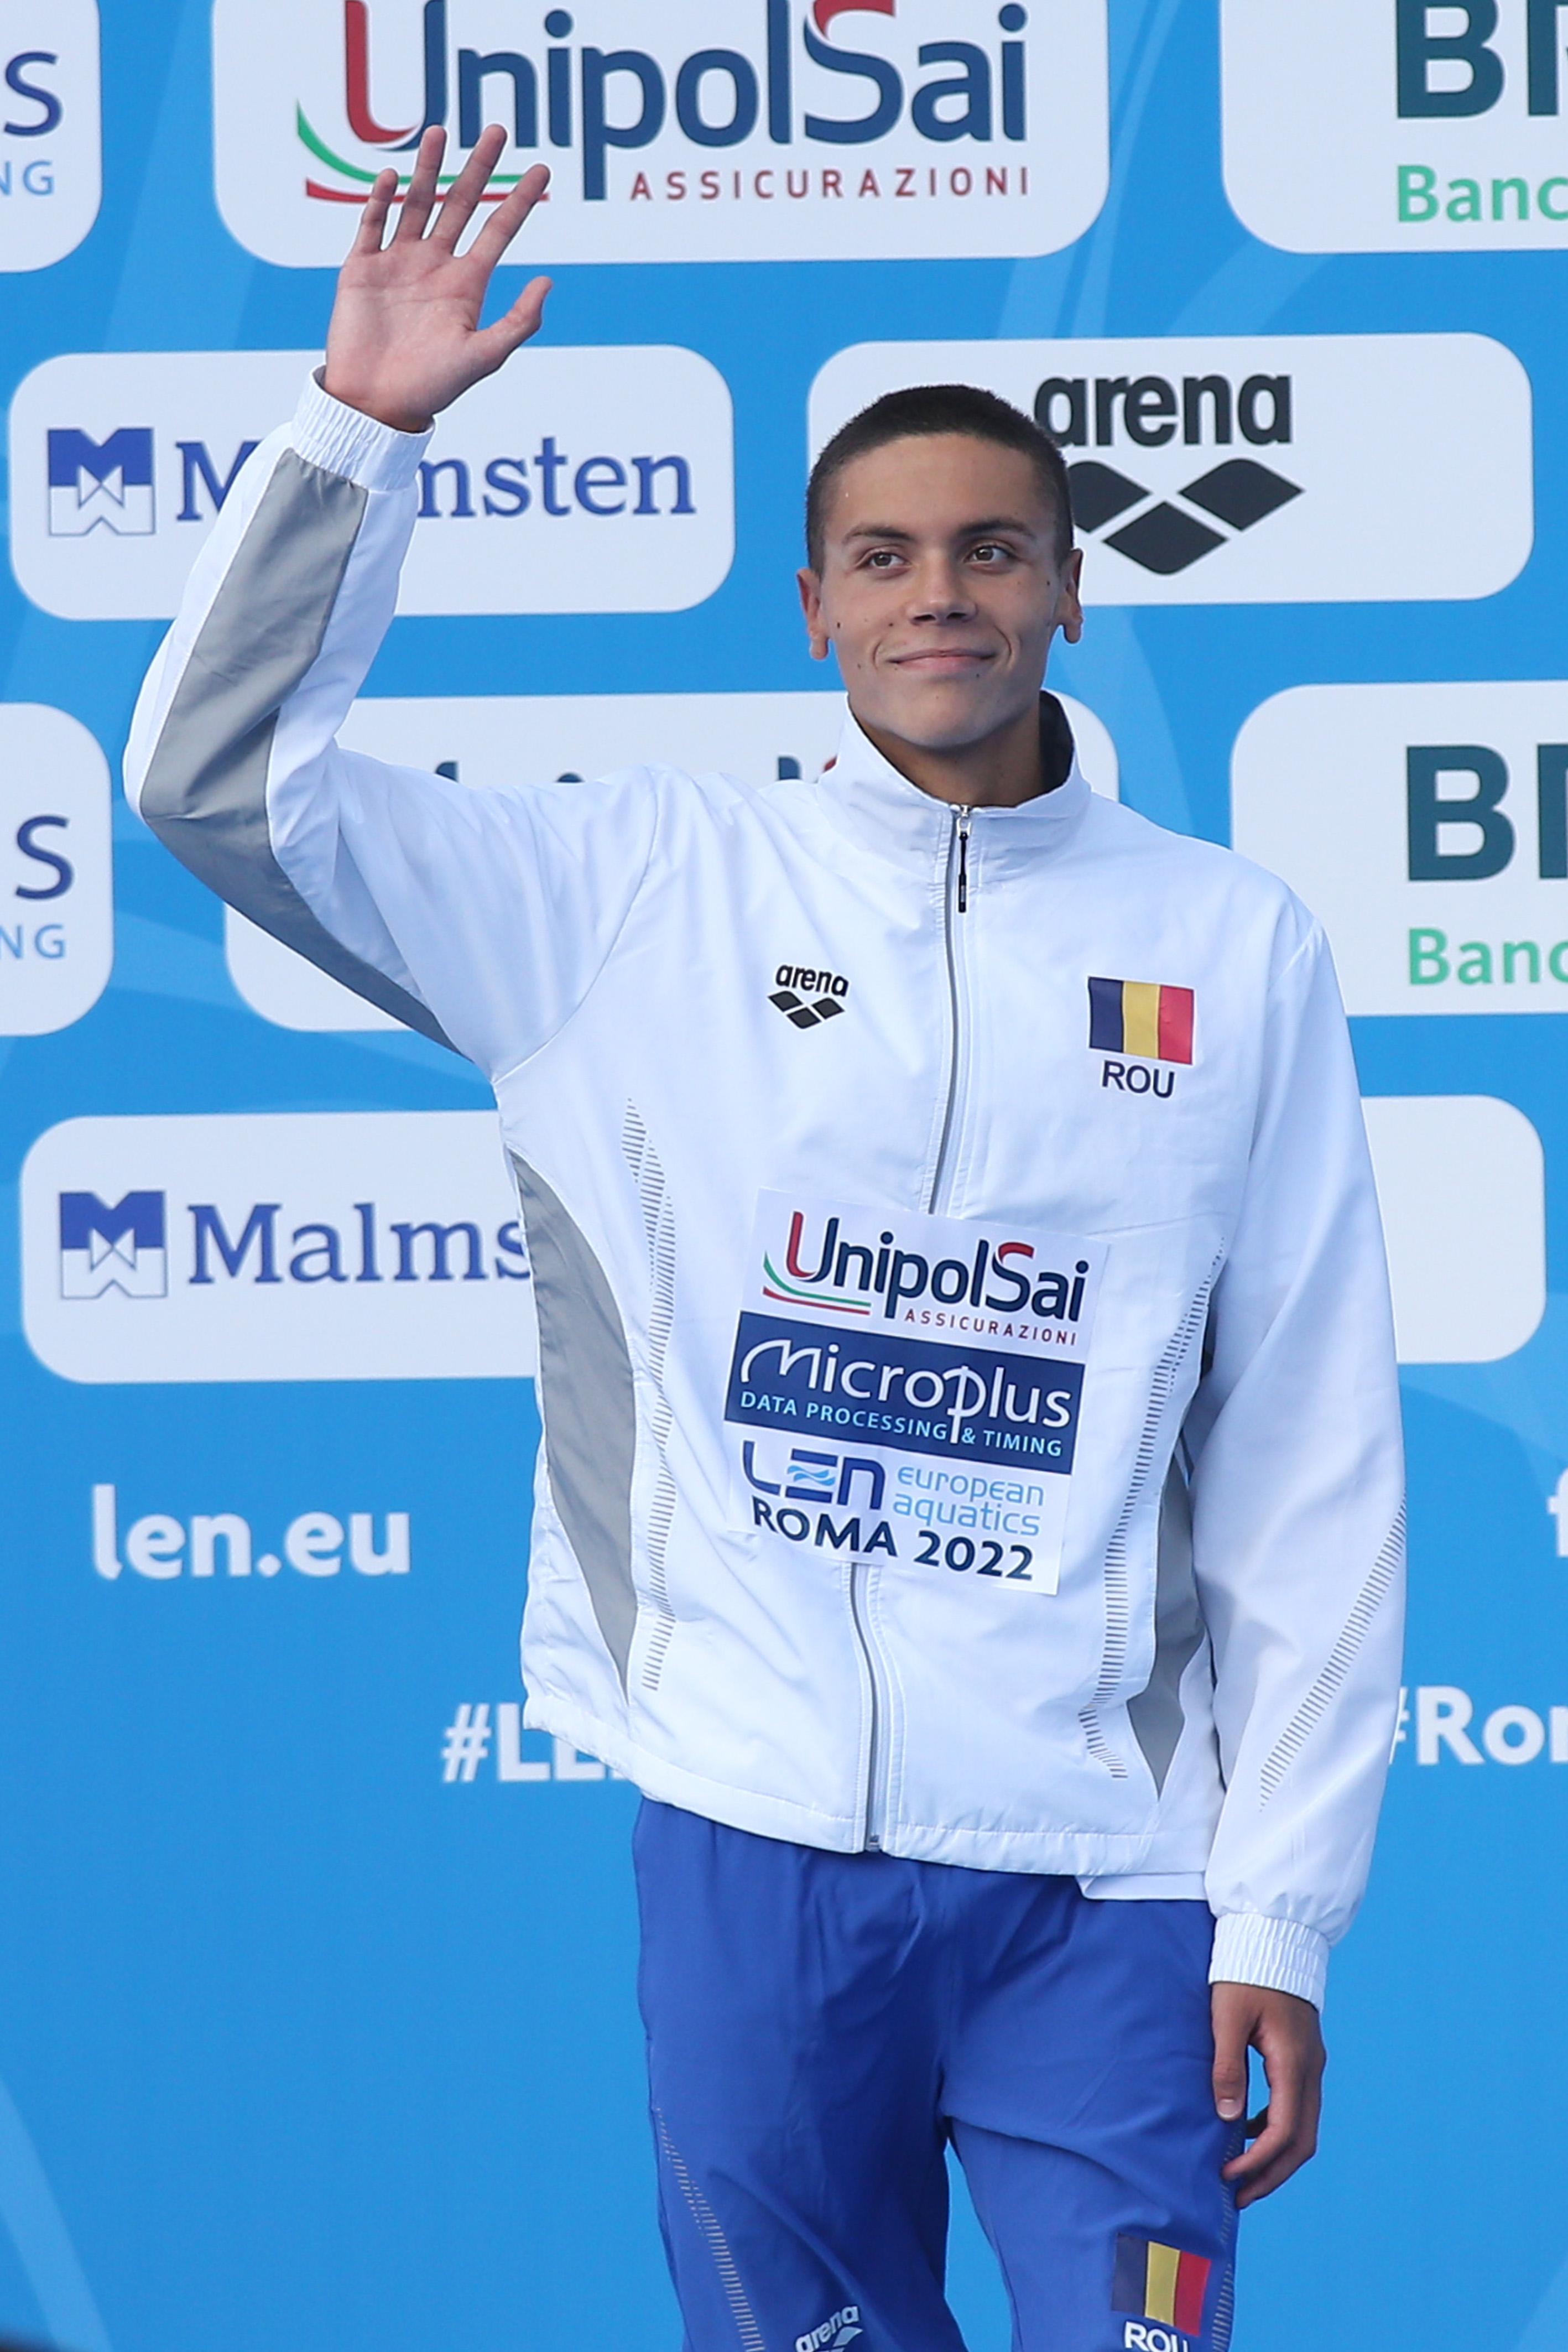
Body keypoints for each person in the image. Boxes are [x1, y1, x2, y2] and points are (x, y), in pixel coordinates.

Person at [125, 127, 1405, 2352]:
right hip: (750, 1838)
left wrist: (1278, 1908)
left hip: (1108, 1873)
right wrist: (358, 436)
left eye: (991, 550)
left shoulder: (1233, 942)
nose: (940, 596)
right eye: (883, 558)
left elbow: (1307, 1451)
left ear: (1071, 588)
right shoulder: (628, 893)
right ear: (811, 606)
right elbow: (217, 788)